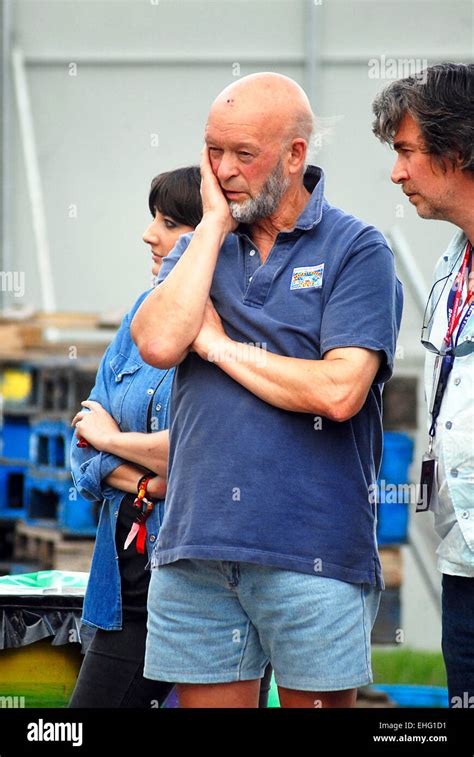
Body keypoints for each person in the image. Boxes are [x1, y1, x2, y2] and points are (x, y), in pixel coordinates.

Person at [131, 72, 404, 708]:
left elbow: (340, 391)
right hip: (198, 548)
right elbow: (158, 341)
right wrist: (211, 227)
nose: (223, 170)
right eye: (212, 151)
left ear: (294, 155)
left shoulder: (357, 249)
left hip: (312, 552)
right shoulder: (204, 246)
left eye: (243, 154)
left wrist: (220, 346)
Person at [68, 167, 200, 708]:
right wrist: (153, 479)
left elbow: (201, 456)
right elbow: (81, 443)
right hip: (122, 586)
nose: (150, 234)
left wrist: (112, 441)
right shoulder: (138, 316)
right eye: (154, 219)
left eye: (169, 223)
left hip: (197, 587)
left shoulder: (230, 332)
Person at [372, 62, 474, 708]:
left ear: (458, 148)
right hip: (462, 553)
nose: (396, 171)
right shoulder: (449, 266)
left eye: (407, 152)